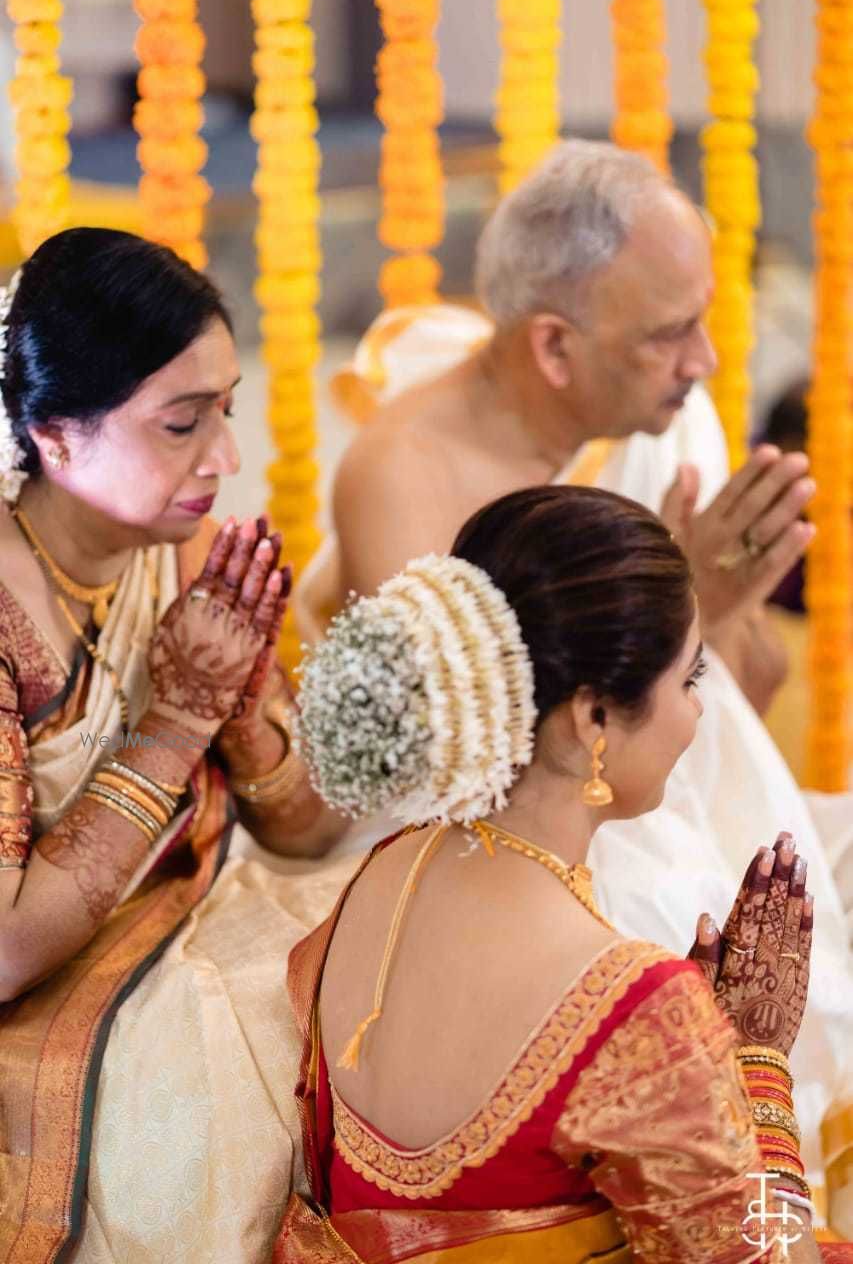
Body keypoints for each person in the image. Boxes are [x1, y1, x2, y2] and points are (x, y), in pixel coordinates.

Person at [291, 140, 853, 1216]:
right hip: (498, 814)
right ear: (553, 345)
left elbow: (730, 686)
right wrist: (672, 603)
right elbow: (461, 767)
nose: (703, 360)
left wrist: (713, 620)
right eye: (667, 333)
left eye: (700, 317)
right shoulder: (404, 472)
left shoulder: (667, 421)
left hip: (637, 761)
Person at [275, 485, 851, 1263]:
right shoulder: (632, 1005)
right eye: (689, 679)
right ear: (592, 719)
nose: (697, 713)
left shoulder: (385, 870)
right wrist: (751, 1063)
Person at [0, 228, 350, 1264]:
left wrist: (244, 720)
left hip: (218, 893)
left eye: (226, 410)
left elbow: (304, 826)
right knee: (226, 1107)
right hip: (69, 985)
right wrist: (178, 719)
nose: (225, 458)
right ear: (56, 436)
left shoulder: (181, 543)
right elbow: (7, 949)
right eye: (182, 423)